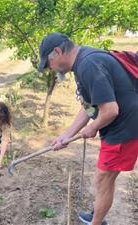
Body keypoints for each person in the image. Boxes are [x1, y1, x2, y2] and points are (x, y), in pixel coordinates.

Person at [37, 32, 138, 225]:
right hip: (121, 126)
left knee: (103, 179)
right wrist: (65, 136)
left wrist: (93, 128)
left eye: (48, 63)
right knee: (104, 178)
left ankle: (96, 222)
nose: (50, 69)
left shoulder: (88, 65)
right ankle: (97, 217)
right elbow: (90, 107)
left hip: (124, 128)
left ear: (57, 52)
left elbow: (109, 110)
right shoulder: (84, 61)